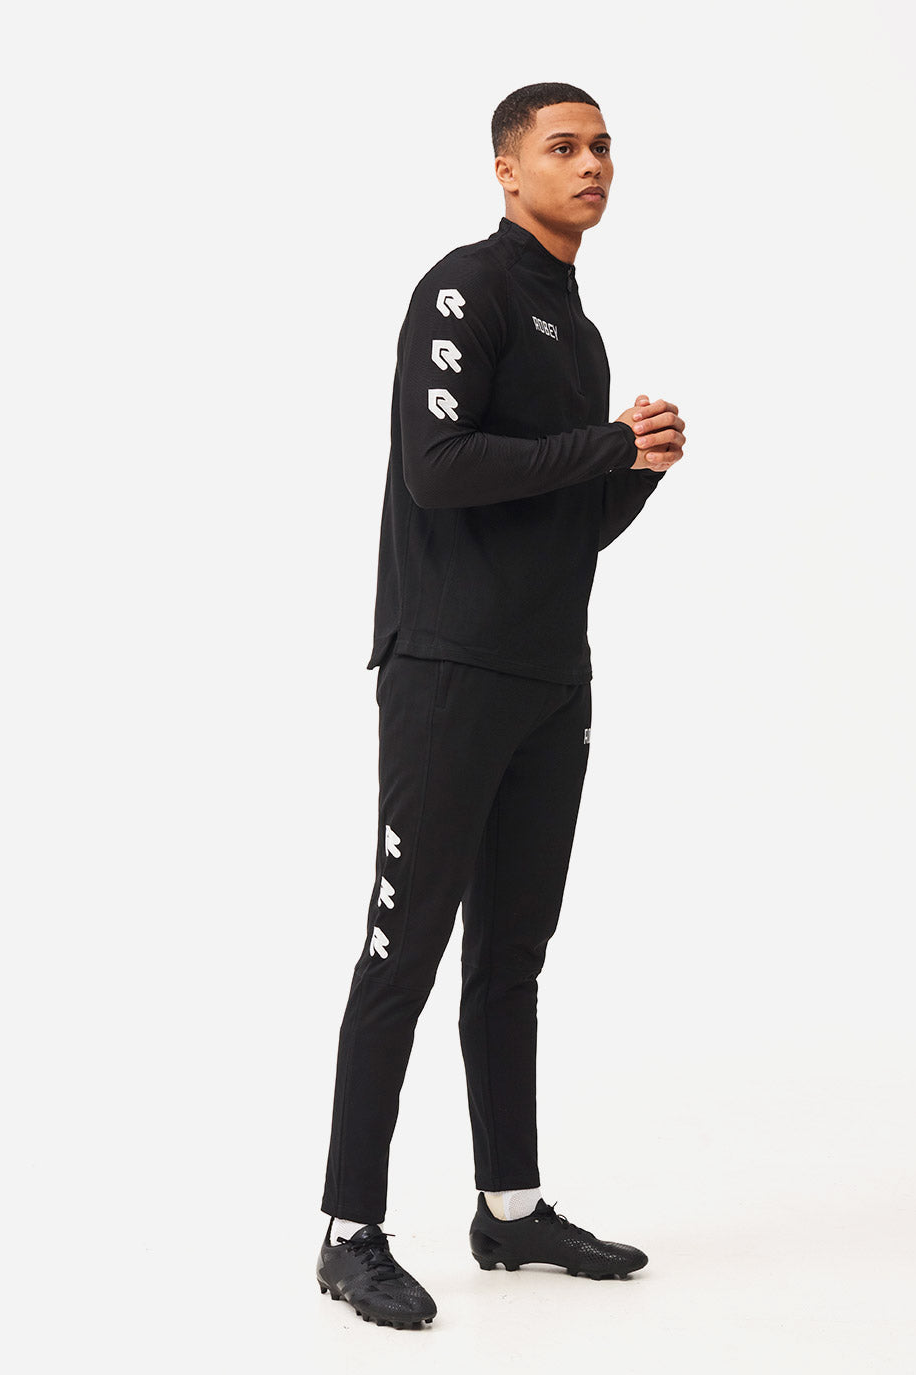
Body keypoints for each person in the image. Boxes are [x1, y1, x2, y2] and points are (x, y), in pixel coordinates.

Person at [316, 81, 687, 1329]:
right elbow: (439, 469)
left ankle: (509, 1209)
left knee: (512, 955)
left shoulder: (578, 333)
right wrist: (601, 446)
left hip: (546, 677)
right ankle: (348, 1231)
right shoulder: (461, 290)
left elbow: (561, 526)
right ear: (505, 168)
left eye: (603, 147)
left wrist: (634, 467)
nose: (591, 165)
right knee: (401, 950)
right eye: (562, 147)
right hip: (445, 670)